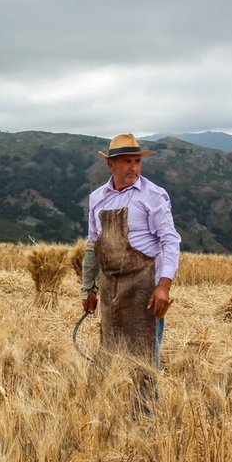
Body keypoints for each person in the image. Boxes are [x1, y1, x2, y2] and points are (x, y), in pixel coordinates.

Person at [81, 134, 182, 408]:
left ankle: (147, 416)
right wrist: (88, 288)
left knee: (144, 354)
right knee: (111, 351)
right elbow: (93, 245)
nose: (134, 168)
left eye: (137, 161)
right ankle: (116, 411)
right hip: (110, 285)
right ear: (111, 165)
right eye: (127, 162)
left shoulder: (153, 195)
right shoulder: (97, 198)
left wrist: (164, 286)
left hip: (143, 286)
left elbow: (170, 240)